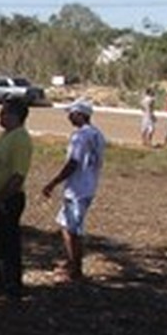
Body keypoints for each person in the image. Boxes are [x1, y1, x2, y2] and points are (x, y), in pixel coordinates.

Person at [42, 99, 107, 282]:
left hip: (77, 188)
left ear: (80, 114)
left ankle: (76, 269)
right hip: (88, 185)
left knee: (72, 230)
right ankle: (71, 261)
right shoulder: (98, 134)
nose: (69, 117)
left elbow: (73, 163)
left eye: (71, 114)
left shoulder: (80, 136)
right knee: (66, 225)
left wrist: (53, 183)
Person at [0, 97, 33, 298]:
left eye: (4, 113)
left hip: (7, 200)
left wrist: (1, 198)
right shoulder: (6, 135)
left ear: (15, 116)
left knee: (8, 243)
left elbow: (18, 176)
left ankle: (12, 285)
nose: (0, 116)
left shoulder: (20, 139)